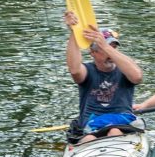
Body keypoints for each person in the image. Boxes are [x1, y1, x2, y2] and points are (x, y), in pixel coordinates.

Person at [60, 12, 143, 144]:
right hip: (90, 126)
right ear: (92, 52)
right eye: (105, 49)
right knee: (89, 139)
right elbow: (74, 69)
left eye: (113, 48)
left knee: (114, 132)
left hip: (120, 123)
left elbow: (137, 77)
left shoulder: (125, 68)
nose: (111, 54)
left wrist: (104, 45)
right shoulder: (88, 70)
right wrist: (74, 32)